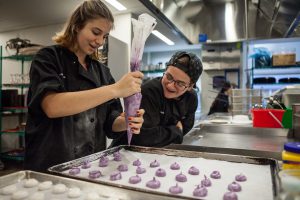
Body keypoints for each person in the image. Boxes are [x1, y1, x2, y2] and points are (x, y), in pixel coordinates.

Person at [24, 0, 144, 172]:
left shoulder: (102, 71)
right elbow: (52, 106)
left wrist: (127, 121)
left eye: (104, 36)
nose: (100, 41)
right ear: (77, 25)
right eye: (96, 32)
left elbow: (111, 123)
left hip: (91, 164)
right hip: (50, 163)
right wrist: (115, 89)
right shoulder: (48, 58)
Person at [111, 51, 203, 147]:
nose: (170, 86)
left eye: (180, 83)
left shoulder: (191, 98)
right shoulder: (149, 91)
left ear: (190, 86)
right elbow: (142, 137)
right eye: (169, 76)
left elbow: (186, 126)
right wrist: (176, 131)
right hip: (125, 151)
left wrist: (163, 132)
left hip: (159, 152)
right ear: (165, 70)